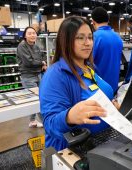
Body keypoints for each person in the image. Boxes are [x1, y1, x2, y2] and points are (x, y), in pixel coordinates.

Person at [39, 16, 119, 151]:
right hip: (74, 150)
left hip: (101, 142)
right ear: (66, 41)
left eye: (90, 37)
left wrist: (111, 106)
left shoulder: (88, 68)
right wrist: (69, 116)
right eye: (80, 38)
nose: (87, 43)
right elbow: (50, 123)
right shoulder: (55, 75)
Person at [17, 26, 47, 128]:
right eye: (29, 33)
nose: (32, 35)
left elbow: (41, 58)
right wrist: (41, 63)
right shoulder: (22, 46)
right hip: (28, 76)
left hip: (38, 74)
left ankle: (33, 120)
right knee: (36, 99)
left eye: (34, 33)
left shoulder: (36, 46)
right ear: (25, 36)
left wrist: (43, 64)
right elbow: (28, 62)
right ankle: (45, 121)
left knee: (41, 97)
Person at [91, 7, 123, 93]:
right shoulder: (118, 37)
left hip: (98, 89)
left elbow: (87, 64)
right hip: (114, 87)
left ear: (93, 22)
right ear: (108, 21)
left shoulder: (94, 37)